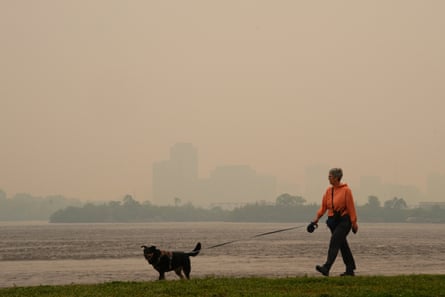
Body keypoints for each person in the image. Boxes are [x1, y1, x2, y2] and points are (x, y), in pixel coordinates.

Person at [309, 168, 358, 276]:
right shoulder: (328, 191)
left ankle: (326, 267)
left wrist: (354, 223)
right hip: (333, 222)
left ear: (336, 178)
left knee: (334, 242)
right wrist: (316, 219)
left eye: (330, 176)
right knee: (342, 245)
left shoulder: (346, 191)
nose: (328, 178)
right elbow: (323, 207)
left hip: (344, 221)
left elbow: (351, 208)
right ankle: (350, 269)